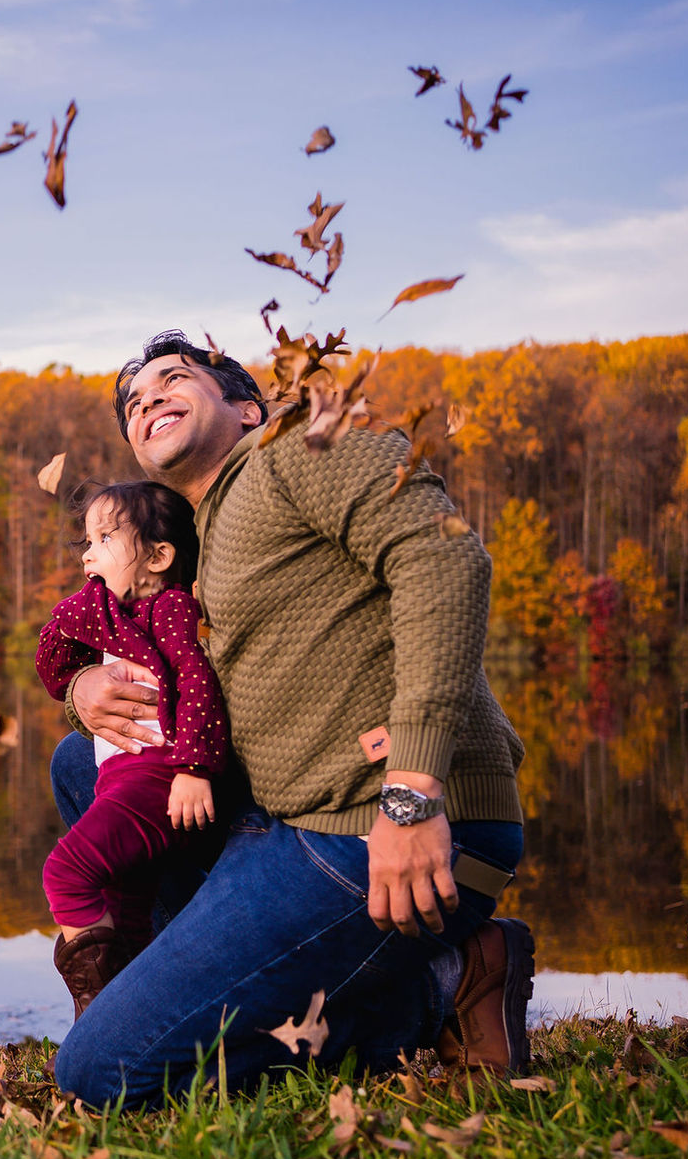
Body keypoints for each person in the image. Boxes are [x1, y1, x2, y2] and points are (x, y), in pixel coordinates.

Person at [49, 331, 531, 1107]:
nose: (148, 401)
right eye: (134, 404)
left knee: (103, 1071)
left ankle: (448, 981)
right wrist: (82, 690)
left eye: (174, 379)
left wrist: (410, 792)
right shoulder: (189, 538)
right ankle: (167, 986)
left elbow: (442, 559)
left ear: (246, 407)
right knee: (80, 761)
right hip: (283, 813)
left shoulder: (299, 443)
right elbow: (107, 643)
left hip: (380, 822)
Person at [34, 481, 230, 1018]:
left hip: (159, 775)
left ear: (159, 557)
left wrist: (193, 767)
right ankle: (141, 1017)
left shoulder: (170, 608)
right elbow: (51, 665)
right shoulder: (111, 617)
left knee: (68, 873)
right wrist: (89, 601)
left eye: (104, 538)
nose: (88, 553)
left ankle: (99, 1017)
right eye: (86, 542)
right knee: (127, 909)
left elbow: (196, 683)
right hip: (120, 778)